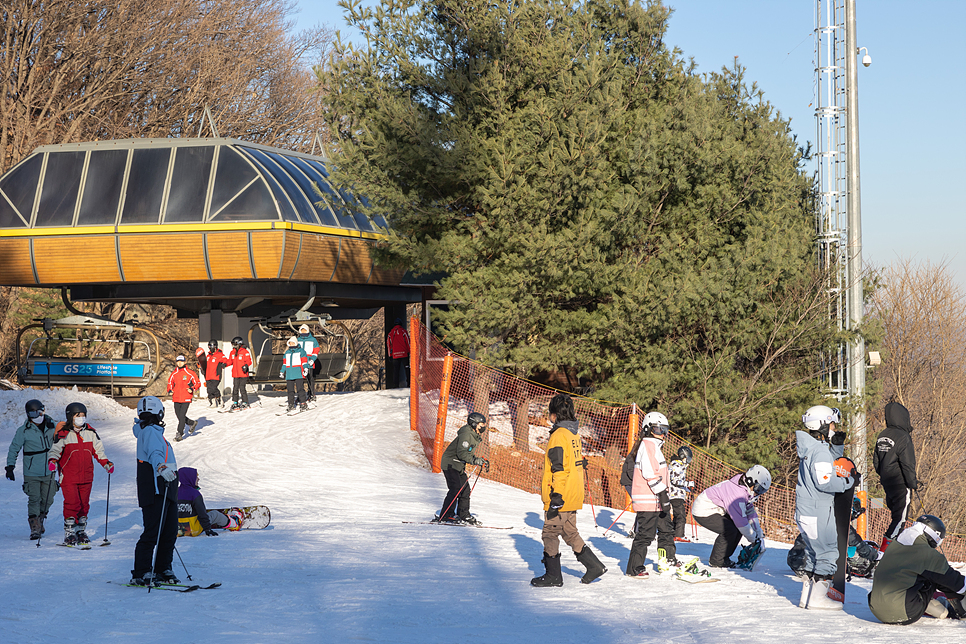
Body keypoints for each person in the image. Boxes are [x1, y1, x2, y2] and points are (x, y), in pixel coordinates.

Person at [531, 393, 607, 587]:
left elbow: (559, 468)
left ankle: (553, 576)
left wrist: (556, 494)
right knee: (570, 532)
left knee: (549, 533)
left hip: (561, 495)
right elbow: (574, 462)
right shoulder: (574, 434)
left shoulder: (558, 436)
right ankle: (594, 566)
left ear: (554, 414)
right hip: (573, 493)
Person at [794, 404, 855, 610]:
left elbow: (826, 467)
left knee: (813, 553)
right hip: (817, 511)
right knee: (828, 553)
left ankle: (807, 596)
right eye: (830, 424)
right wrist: (848, 482)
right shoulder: (818, 452)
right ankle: (818, 599)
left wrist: (837, 448)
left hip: (805, 509)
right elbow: (825, 482)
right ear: (821, 425)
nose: (833, 428)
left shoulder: (810, 449)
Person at [868, 515, 966, 624]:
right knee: (937, 576)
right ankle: (960, 610)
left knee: (920, 574)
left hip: (875, 608)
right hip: (904, 612)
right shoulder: (926, 553)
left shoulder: (896, 544)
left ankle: (931, 605)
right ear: (936, 535)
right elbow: (956, 582)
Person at [47, 402, 114, 545]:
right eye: (78, 416)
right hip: (69, 476)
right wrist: (52, 461)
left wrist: (106, 463)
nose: (81, 419)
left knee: (84, 504)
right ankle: (70, 532)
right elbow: (55, 451)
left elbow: (99, 451)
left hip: (86, 476)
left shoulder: (91, 433)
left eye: (83, 416)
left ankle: (80, 531)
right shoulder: (64, 434)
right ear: (71, 417)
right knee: (72, 503)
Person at [131, 395, 180, 586]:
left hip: (166, 487)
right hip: (155, 488)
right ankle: (142, 571)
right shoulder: (150, 432)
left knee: (169, 531)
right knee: (153, 532)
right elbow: (155, 454)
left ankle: (163, 568)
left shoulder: (152, 431)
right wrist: (161, 467)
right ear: (159, 412)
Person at [625, 411, 677, 577]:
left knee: (666, 531)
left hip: (658, 499)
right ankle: (635, 567)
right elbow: (649, 473)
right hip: (649, 500)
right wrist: (662, 494)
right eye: (658, 429)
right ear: (647, 429)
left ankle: (668, 560)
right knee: (646, 535)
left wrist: (665, 496)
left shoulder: (655, 447)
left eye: (664, 430)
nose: (662, 434)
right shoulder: (647, 445)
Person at [691, 465, 770, 569]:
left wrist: (758, 532)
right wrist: (753, 539)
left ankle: (724, 558)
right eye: (758, 488)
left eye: (761, 491)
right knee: (729, 529)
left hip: (715, 509)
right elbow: (741, 522)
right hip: (703, 510)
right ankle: (717, 560)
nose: (758, 493)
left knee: (736, 529)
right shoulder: (736, 493)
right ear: (751, 481)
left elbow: (750, 512)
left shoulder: (745, 490)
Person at [788, 497, 881, 580]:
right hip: (808, 566)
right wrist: (876, 556)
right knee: (852, 551)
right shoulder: (842, 525)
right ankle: (866, 569)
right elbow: (861, 547)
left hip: (794, 560)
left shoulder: (823, 517)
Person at [6, 399, 58, 540]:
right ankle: (34, 526)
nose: (38, 415)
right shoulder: (23, 431)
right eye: (33, 413)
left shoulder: (52, 425)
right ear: (28, 415)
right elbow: (14, 448)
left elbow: (61, 442)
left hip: (49, 469)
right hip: (32, 471)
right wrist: (10, 466)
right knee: (34, 498)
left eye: (40, 411)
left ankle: (41, 517)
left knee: (49, 497)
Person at [873, 401, 918, 551]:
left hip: (887, 483)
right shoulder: (903, 437)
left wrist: (884, 476)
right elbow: (908, 464)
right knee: (900, 519)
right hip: (901, 483)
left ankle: (895, 552)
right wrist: (912, 483)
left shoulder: (882, 435)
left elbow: (876, 462)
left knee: (895, 517)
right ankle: (884, 553)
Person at [436, 412, 489, 525]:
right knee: (455, 489)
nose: (484, 427)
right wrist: (475, 461)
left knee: (465, 490)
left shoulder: (473, 435)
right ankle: (446, 515)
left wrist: (478, 460)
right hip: (450, 463)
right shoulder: (466, 435)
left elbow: (467, 454)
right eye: (481, 424)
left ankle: (463, 514)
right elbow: (461, 454)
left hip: (458, 465)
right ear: (474, 424)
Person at [177, 467, 235, 536]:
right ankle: (233, 523)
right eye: (196, 476)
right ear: (190, 478)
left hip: (177, 531)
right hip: (193, 530)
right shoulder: (194, 494)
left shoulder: (174, 492)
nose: (198, 479)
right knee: (215, 514)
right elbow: (202, 514)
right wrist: (207, 529)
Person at [166, 354, 200, 442]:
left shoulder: (190, 373)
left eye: (181, 361)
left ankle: (179, 434)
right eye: (178, 361)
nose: (180, 363)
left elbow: (197, 383)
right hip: (176, 397)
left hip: (186, 397)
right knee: (179, 416)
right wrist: (170, 390)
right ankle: (192, 423)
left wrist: (192, 389)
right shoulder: (174, 373)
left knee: (181, 417)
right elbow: (170, 383)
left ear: (185, 362)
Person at [668, 445, 695, 543]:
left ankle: (673, 533)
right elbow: (675, 481)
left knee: (677, 514)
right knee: (680, 515)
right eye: (687, 458)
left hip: (677, 493)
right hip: (675, 494)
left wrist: (687, 489)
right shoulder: (677, 465)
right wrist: (688, 483)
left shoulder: (679, 465)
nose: (688, 461)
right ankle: (679, 535)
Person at [279, 336, 309, 415]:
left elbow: (304, 361)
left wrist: (305, 369)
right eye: (290, 343)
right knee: (290, 390)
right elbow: (284, 364)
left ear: (296, 343)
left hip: (298, 373)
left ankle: (303, 403)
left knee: (300, 389)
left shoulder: (301, 351)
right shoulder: (287, 353)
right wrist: (282, 371)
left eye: (293, 342)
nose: (291, 344)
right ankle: (291, 404)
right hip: (289, 374)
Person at [227, 336, 254, 410]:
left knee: (242, 388)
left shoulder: (245, 351)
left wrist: (246, 366)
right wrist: (225, 364)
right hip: (235, 374)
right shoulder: (232, 352)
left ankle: (245, 402)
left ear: (239, 343)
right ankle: (235, 402)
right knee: (235, 388)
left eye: (235, 344)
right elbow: (230, 361)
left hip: (243, 374)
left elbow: (249, 361)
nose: (233, 346)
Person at [296, 324, 320, 405]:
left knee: (310, 378)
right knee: (299, 380)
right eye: (302, 331)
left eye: (304, 330)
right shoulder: (298, 340)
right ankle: (300, 395)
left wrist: (313, 359)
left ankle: (311, 394)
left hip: (309, 361)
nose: (303, 332)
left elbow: (316, 350)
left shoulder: (313, 340)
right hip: (300, 362)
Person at [203, 340, 230, 407]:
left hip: (216, 375)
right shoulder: (208, 356)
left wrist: (224, 364)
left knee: (213, 388)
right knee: (209, 389)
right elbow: (205, 364)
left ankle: (219, 400)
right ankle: (212, 403)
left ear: (215, 346)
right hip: (208, 376)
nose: (210, 348)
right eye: (209, 346)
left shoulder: (219, 354)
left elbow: (226, 360)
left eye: (211, 346)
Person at [386, 318, 410, 388]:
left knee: (396, 370)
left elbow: (388, 344)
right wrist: (409, 351)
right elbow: (408, 342)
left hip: (395, 355)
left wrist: (390, 355)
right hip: (404, 353)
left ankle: (395, 385)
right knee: (407, 368)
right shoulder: (404, 332)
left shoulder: (390, 333)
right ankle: (409, 383)